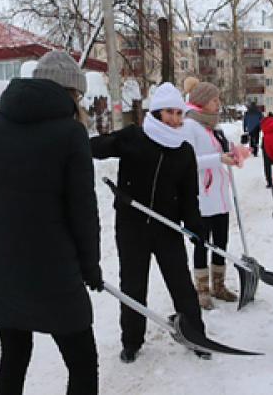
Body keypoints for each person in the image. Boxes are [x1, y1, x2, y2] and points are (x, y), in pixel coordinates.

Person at [0, 50, 102, 395]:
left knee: (13, 357)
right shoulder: (71, 134)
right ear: (72, 92)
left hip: (1, 272)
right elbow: (83, 212)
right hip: (54, 276)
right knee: (82, 362)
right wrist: (90, 267)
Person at [91, 82, 210, 363]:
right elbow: (96, 147)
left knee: (180, 282)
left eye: (179, 113)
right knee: (133, 284)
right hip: (131, 225)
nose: (176, 119)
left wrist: (194, 225)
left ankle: (196, 335)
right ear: (156, 113)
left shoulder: (183, 150)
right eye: (169, 112)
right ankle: (131, 341)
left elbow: (188, 196)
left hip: (166, 227)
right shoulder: (134, 137)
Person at [183, 81, 239, 309]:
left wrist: (235, 153)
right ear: (202, 102)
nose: (218, 103)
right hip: (202, 198)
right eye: (214, 99)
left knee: (221, 242)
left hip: (220, 197)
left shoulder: (214, 127)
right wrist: (218, 159)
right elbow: (187, 162)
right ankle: (202, 290)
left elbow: (221, 152)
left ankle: (219, 285)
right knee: (201, 243)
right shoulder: (189, 126)